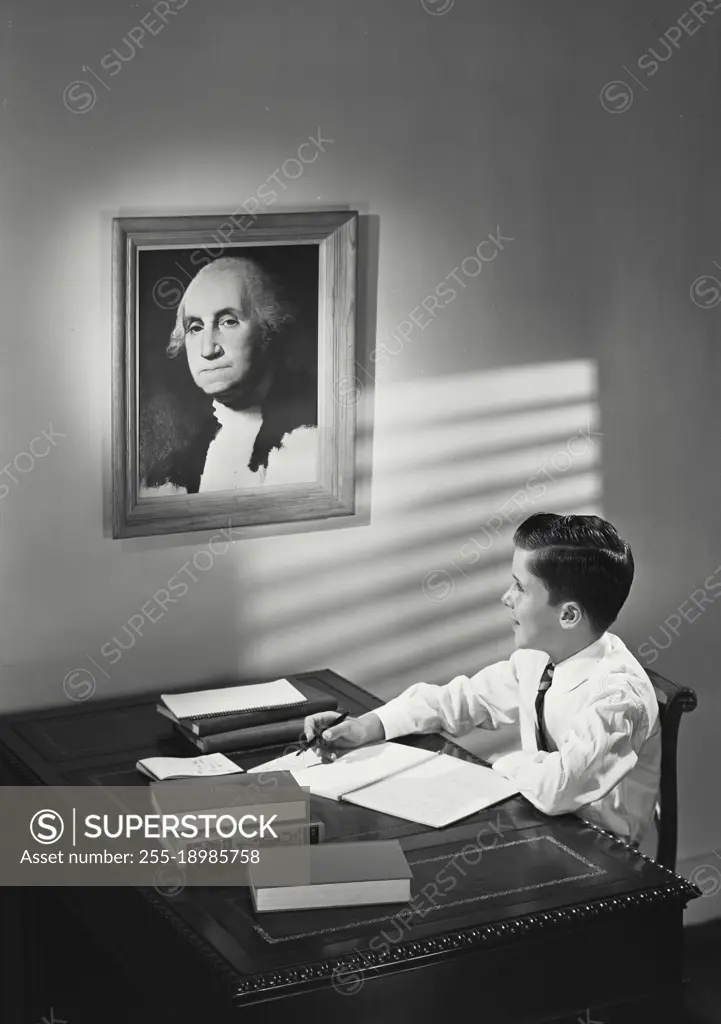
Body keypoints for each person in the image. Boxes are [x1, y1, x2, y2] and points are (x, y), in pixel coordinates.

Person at [304, 513, 661, 845]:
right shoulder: (537, 660)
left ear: (568, 615)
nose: (506, 598)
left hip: (605, 853)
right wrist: (368, 725)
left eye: (520, 588)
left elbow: (558, 788)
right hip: (544, 825)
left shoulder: (618, 697)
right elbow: (462, 700)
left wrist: (502, 763)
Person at [140, 256, 317, 495]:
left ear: (269, 329)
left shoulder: (313, 442)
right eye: (195, 327)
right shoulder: (170, 473)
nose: (208, 350)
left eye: (228, 322)